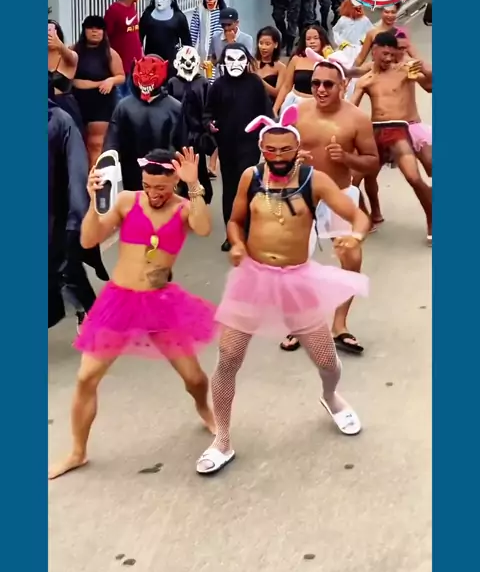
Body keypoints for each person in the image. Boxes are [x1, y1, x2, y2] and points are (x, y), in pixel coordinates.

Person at [196, 104, 370, 475]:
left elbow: (358, 215)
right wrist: (237, 244)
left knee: (326, 360)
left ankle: (330, 397)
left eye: (285, 150)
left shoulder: (313, 180)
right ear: (262, 148)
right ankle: (222, 440)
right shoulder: (251, 177)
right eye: (270, 150)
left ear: (296, 148)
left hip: (296, 279)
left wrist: (355, 237)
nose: (277, 156)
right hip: (253, 277)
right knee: (228, 357)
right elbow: (235, 220)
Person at [49, 147, 218, 481]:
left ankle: (204, 408)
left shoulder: (183, 209)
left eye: (162, 187)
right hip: (119, 301)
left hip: (160, 303)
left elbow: (203, 229)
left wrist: (194, 185)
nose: (154, 193)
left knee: (195, 379)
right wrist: (94, 203)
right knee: (86, 378)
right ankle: (78, 452)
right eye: (148, 185)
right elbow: (88, 240)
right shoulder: (127, 201)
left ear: (174, 181)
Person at [279, 58, 379, 354]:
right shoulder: (296, 111)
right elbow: (274, 153)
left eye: (327, 84)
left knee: (351, 257)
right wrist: (289, 161)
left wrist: (346, 158)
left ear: (343, 85)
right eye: (315, 83)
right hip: (302, 195)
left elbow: (372, 162)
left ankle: (339, 325)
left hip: (339, 195)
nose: (320, 89)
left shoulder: (357, 119)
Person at [350, 31, 432, 243]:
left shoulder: (404, 70)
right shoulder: (366, 79)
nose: (388, 58)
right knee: (352, 182)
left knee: (413, 177)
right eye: (384, 54)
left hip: (398, 129)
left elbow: (431, 85)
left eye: (391, 54)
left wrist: (422, 67)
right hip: (374, 131)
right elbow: (350, 110)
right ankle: (367, 217)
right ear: (374, 51)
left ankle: (432, 218)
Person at [48, 90, 109, 333]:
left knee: (66, 266)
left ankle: (90, 312)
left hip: (57, 212)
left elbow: (76, 170)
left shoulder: (60, 120)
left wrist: (78, 216)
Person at [205, 42, 273, 251]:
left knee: (249, 186)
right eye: (230, 59)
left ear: (246, 61)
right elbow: (208, 113)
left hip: (249, 145)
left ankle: (250, 232)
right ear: (224, 62)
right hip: (226, 145)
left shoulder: (255, 83)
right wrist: (209, 124)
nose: (235, 63)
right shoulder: (218, 86)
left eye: (240, 59)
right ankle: (231, 234)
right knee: (230, 189)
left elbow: (267, 112)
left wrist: (270, 136)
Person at [103, 55, 183, 191]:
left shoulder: (175, 108)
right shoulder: (124, 107)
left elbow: (184, 146)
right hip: (132, 176)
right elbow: (112, 142)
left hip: (166, 177)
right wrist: (107, 165)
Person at [73, 16, 125, 167]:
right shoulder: (74, 51)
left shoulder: (110, 53)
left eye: (98, 28)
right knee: (80, 142)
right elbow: (70, 79)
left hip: (102, 102)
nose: (95, 31)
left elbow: (121, 76)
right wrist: (97, 84)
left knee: (96, 143)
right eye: (91, 28)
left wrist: (111, 81)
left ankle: (95, 174)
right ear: (84, 31)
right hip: (78, 101)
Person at [168, 45, 214, 204]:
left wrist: (208, 129)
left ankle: (201, 198)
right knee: (177, 166)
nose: (188, 64)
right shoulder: (172, 82)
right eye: (184, 60)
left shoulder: (203, 83)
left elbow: (209, 108)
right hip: (177, 133)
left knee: (199, 166)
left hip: (197, 133)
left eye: (191, 60)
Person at [273, 24, 331, 113]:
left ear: (322, 39)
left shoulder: (329, 61)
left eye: (316, 38)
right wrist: (275, 108)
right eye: (308, 39)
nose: (312, 42)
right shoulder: (296, 59)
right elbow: (286, 86)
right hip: (294, 103)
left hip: (317, 106)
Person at [139, 0, 191, 78]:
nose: (159, 1)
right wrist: (141, 55)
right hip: (150, 61)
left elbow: (187, 42)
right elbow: (139, 37)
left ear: (170, 0)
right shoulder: (147, 15)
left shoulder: (178, 17)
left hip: (171, 63)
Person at [104, 0, 143, 99]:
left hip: (135, 64)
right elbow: (105, 36)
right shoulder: (114, 11)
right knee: (121, 99)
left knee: (134, 98)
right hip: (120, 66)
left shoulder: (132, 7)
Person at [48, 20, 83, 133]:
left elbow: (72, 58)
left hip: (65, 106)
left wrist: (59, 45)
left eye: (52, 32)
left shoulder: (69, 56)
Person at [189, 0, 226, 68]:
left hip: (219, 52)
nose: (210, 0)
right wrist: (190, 49)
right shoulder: (199, 11)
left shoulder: (224, 12)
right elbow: (193, 33)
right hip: (203, 52)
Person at [208, 7, 254, 74]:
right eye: (223, 25)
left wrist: (231, 43)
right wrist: (208, 63)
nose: (226, 28)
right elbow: (213, 58)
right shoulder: (216, 37)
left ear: (237, 23)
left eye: (229, 24)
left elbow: (246, 63)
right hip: (220, 76)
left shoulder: (247, 39)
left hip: (238, 76)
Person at [254, 26, 287, 105]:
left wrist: (258, 80)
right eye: (261, 43)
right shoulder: (251, 64)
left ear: (275, 45)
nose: (263, 47)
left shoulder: (281, 67)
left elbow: (277, 93)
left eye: (267, 44)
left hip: (271, 105)